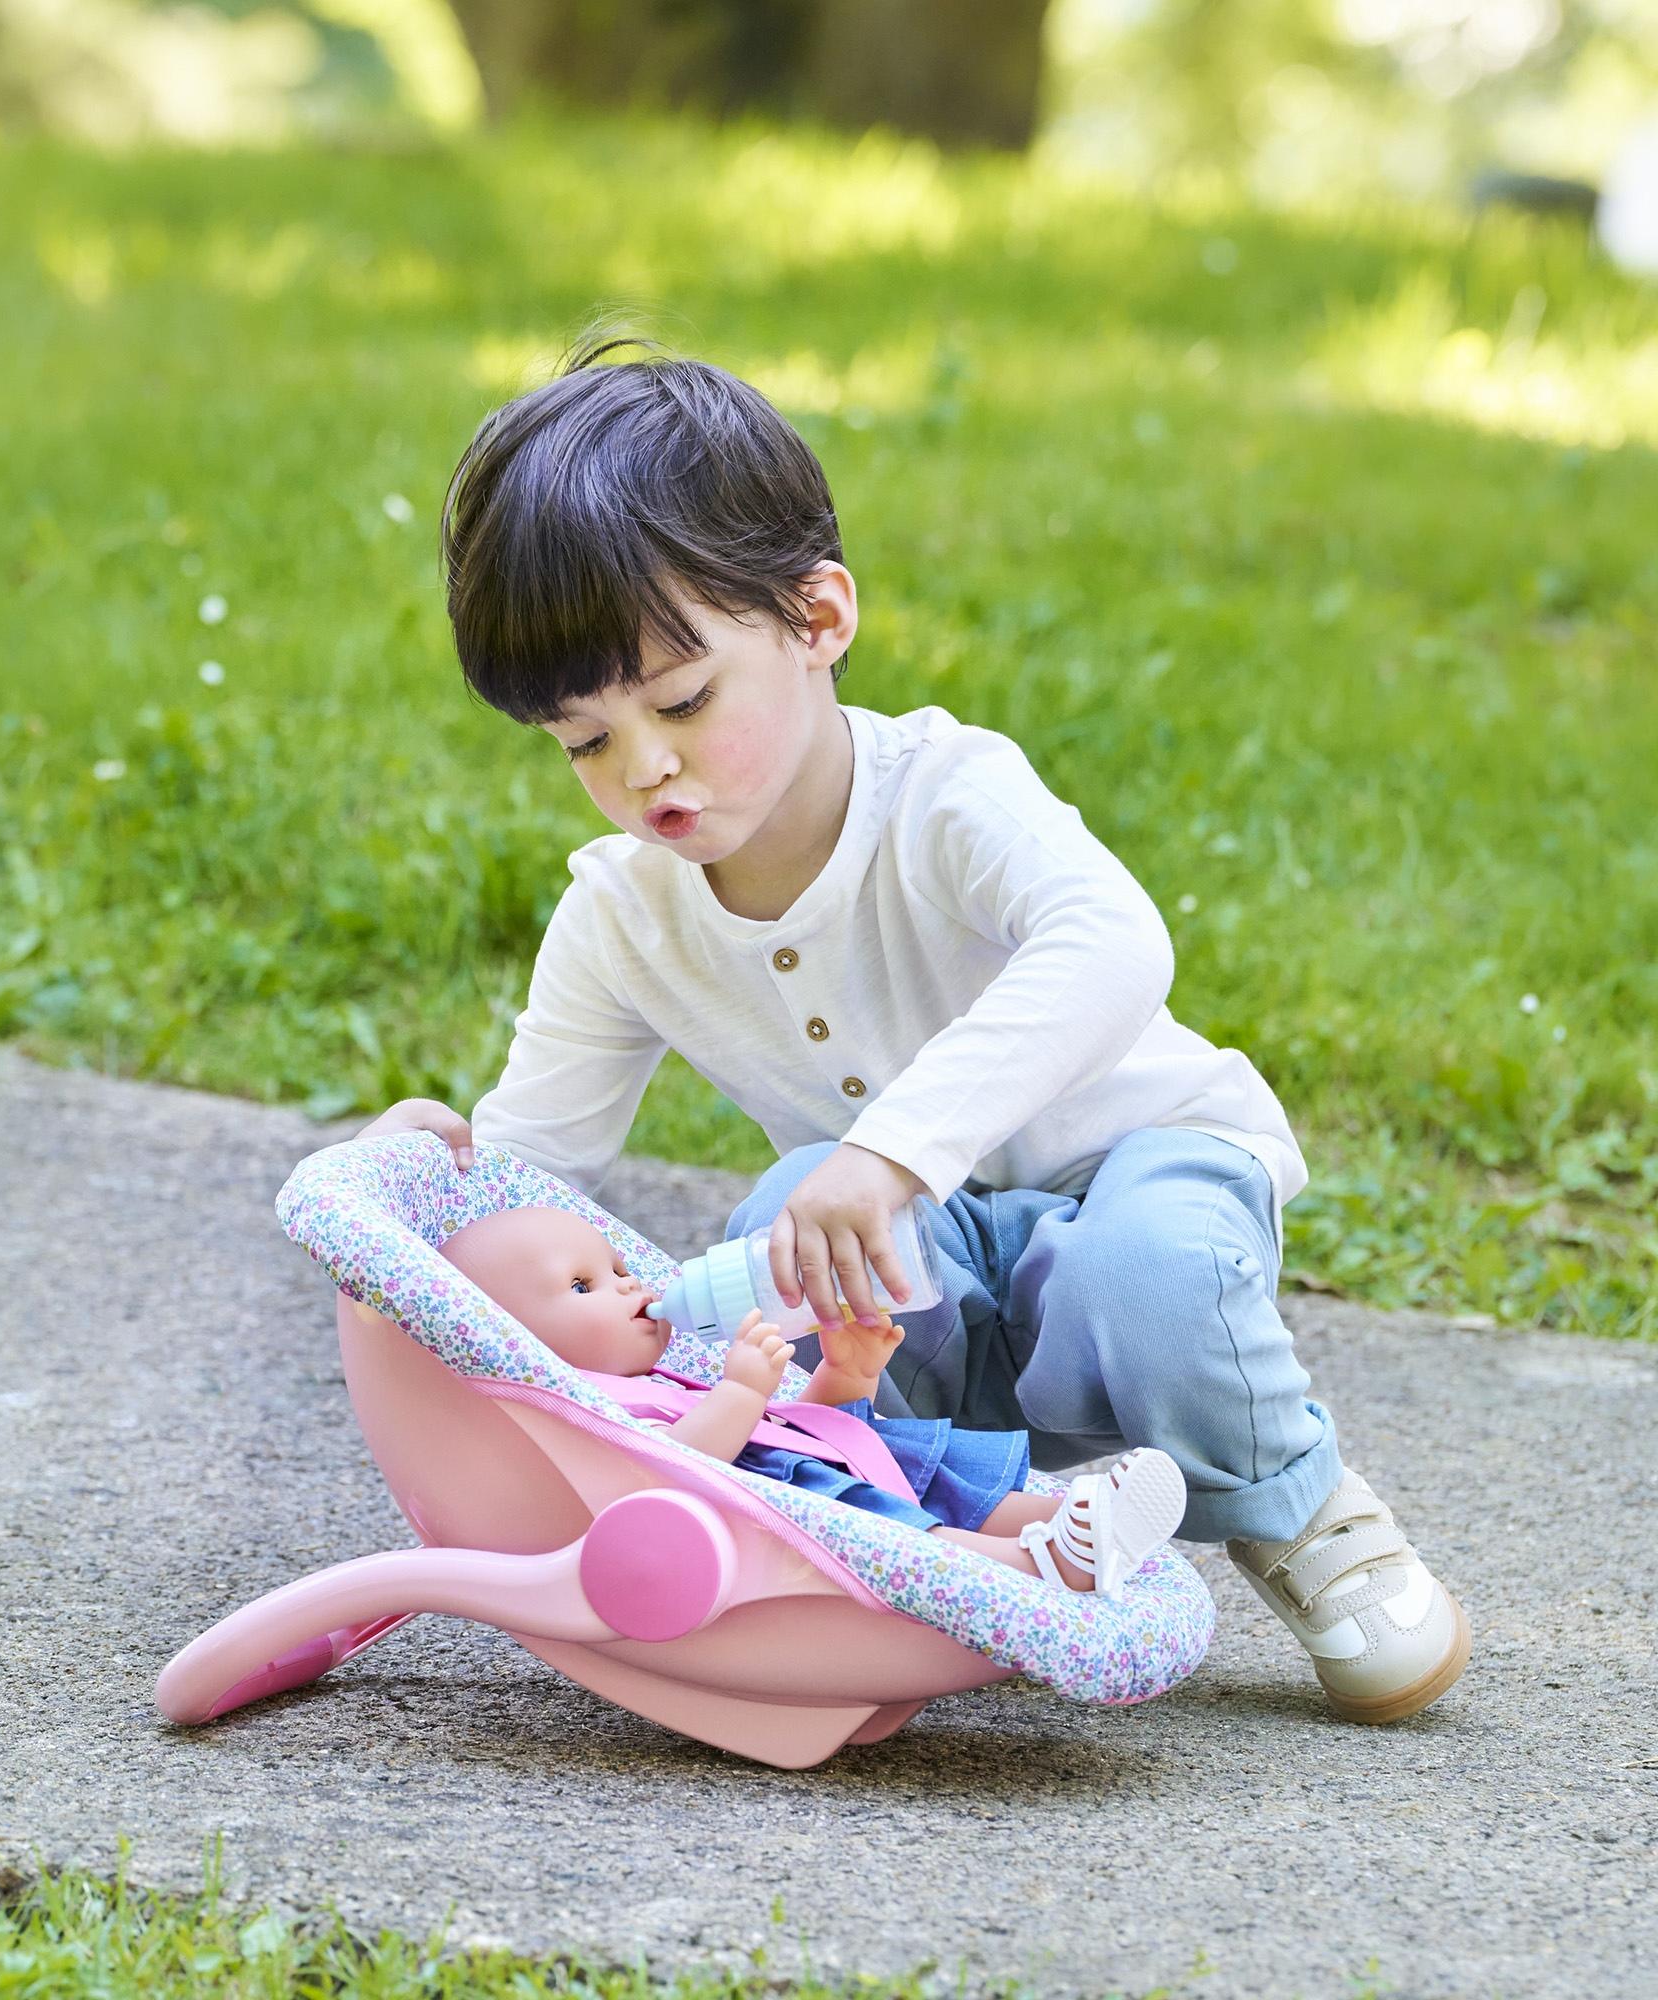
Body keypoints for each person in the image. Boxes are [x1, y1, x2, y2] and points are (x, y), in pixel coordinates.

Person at [355, 323, 1469, 1724]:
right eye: (584, 740)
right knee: (781, 1244)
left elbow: (1113, 941)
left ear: (818, 621)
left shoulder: (943, 792)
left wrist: (891, 1152)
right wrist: (423, 1199)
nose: (643, 769)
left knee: (1148, 1266)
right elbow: (532, 1171)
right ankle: (947, 1536)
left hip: (1135, 1172)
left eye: (684, 700)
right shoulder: (622, 914)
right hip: (920, 1263)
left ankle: (1301, 1510)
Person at [436, 1203, 1187, 1597]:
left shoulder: (657, 1381)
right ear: (517, 1335)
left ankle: (1078, 1519)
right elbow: (663, 1477)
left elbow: (792, 1434)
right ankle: (1046, 1562)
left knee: (922, 1470)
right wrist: (736, 1393)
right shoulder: (587, 1408)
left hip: (822, 1472)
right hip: (787, 1528)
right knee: (889, 1523)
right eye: (582, 1285)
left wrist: (845, 1375)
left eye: (617, 1265)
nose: (630, 1284)